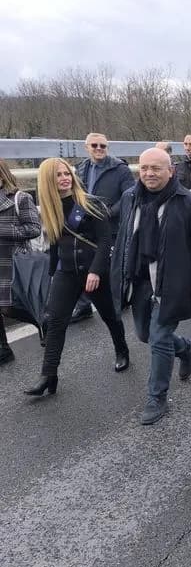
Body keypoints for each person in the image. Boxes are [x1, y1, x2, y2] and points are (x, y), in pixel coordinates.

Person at [112, 148, 191, 425]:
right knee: (145, 334)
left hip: (172, 283)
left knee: (158, 339)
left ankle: (157, 398)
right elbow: (122, 238)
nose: (149, 173)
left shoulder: (188, 203)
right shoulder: (130, 197)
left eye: (156, 168)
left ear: (171, 170)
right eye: (144, 168)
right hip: (139, 280)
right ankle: (186, 348)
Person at [24, 158, 130, 398]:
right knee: (55, 322)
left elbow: (104, 241)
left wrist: (95, 271)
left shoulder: (90, 203)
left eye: (67, 174)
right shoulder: (50, 207)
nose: (64, 179)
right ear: (47, 181)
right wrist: (51, 275)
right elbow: (54, 245)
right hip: (67, 273)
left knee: (110, 316)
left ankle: (122, 350)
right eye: (58, 175)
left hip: (94, 270)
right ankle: (48, 375)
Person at [70, 132, 137, 323]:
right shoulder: (81, 168)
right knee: (83, 263)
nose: (99, 149)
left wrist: (109, 212)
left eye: (103, 146)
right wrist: (75, 218)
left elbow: (130, 196)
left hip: (111, 226)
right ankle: (83, 306)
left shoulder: (120, 169)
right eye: (94, 145)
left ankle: (117, 301)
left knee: (111, 267)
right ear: (86, 147)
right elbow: (77, 194)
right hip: (87, 225)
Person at [0, 159, 42, 365]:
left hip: (12, 262)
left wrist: (2, 230)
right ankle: (3, 348)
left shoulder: (20, 198)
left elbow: (34, 229)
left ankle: (42, 321)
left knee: (8, 308)